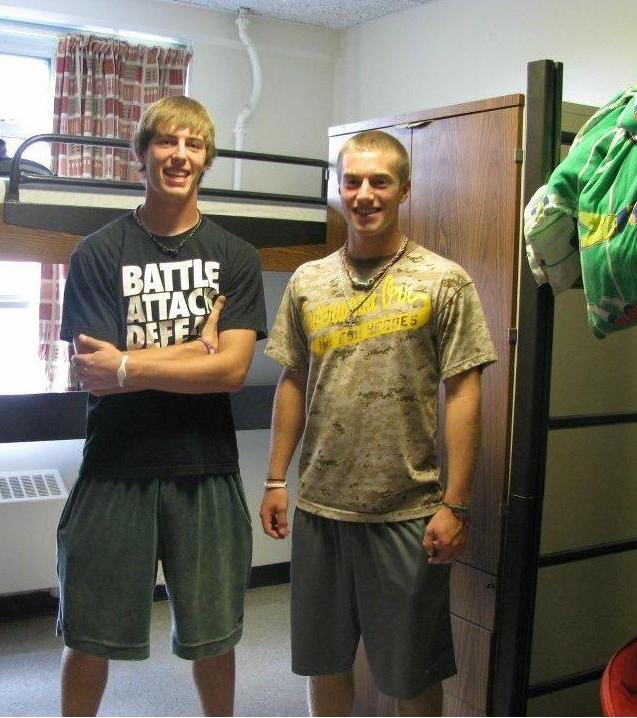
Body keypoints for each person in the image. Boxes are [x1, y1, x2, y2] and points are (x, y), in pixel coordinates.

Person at [260, 130, 497, 717]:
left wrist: (457, 503)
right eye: (353, 181)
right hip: (321, 507)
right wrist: (274, 479)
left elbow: (465, 389)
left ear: (404, 189)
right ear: (339, 189)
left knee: (409, 673)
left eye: (380, 181)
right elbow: (292, 380)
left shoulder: (444, 280)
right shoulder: (308, 281)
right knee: (324, 663)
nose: (365, 194)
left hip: (407, 511)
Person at [58, 95, 266, 717]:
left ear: (206, 159)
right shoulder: (97, 252)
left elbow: (229, 371)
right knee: (89, 632)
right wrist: (189, 350)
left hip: (204, 467)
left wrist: (132, 363)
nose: (179, 156)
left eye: (193, 145)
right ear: (142, 153)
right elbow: (95, 374)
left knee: (213, 634)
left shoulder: (236, 257)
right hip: (114, 467)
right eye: (167, 143)